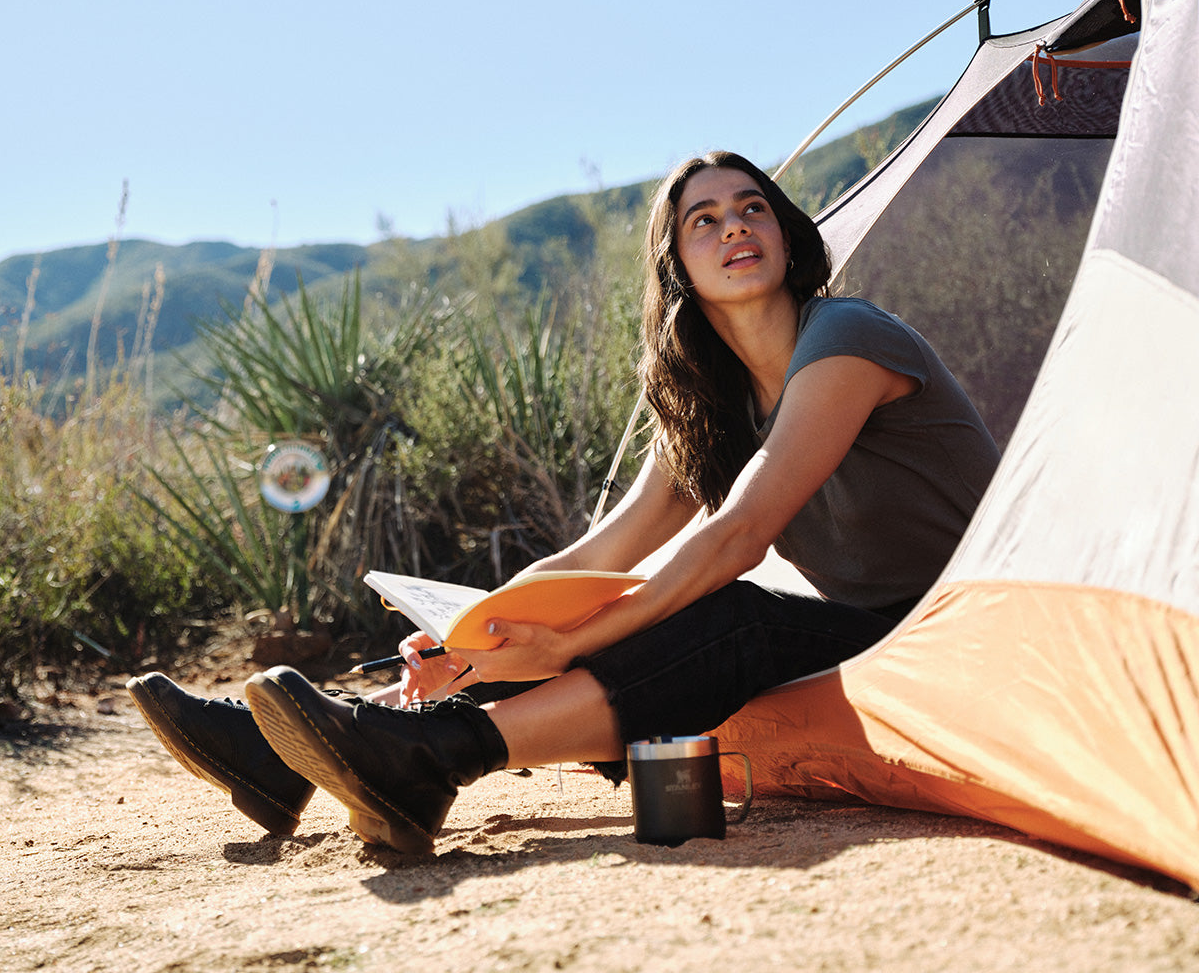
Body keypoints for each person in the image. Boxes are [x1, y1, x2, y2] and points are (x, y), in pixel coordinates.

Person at [128, 151, 1000, 854]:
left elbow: (739, 535)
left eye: (752, 208)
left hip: (962, 625)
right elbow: (596, 556)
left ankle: (439, 758)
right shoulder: (713, 404)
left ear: (787, 234)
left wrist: (571, 641)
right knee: (600, 606)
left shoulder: (847, 337)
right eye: (704, 219)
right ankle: (283, 757)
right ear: (677, 265)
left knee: (733, 615)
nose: (735, 225)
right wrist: (468, 635)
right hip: (872, 627)